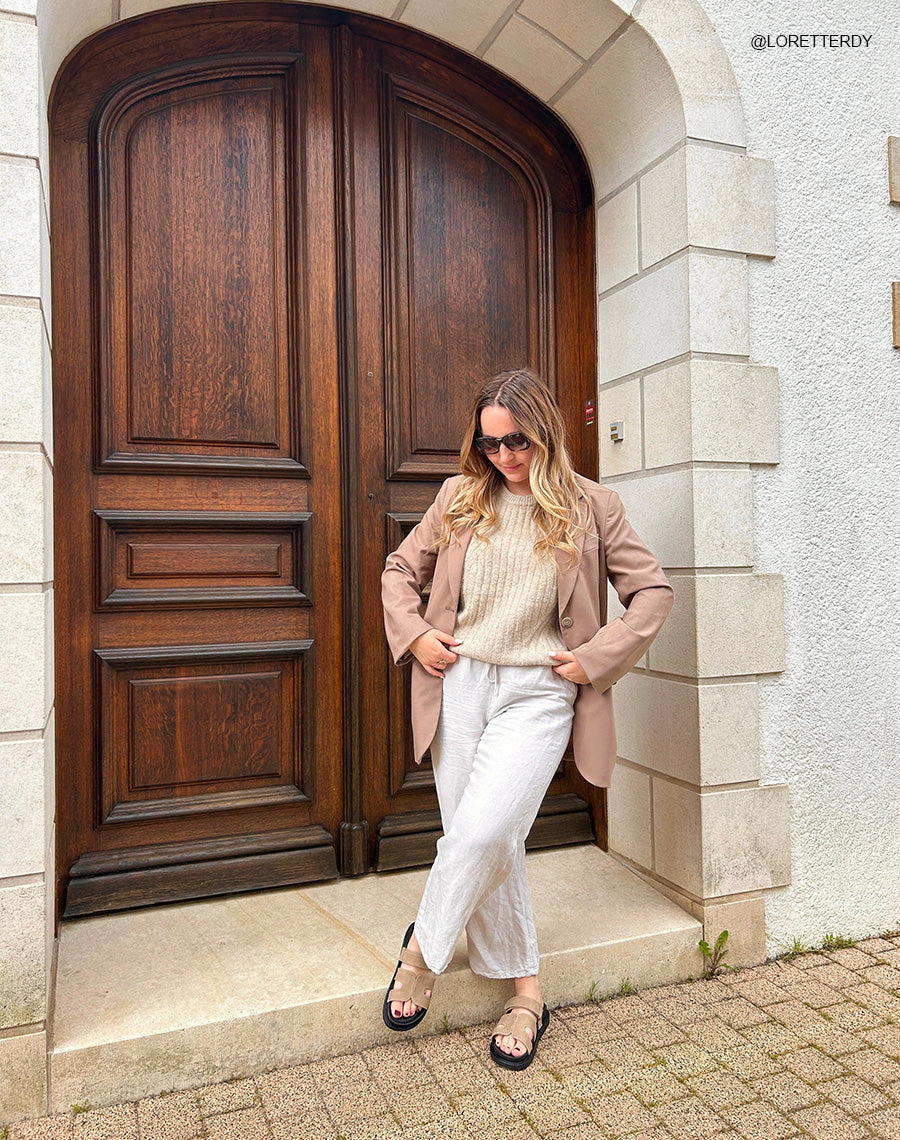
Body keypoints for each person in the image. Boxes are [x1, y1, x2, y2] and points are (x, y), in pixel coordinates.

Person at [380, 368, 674, 1069]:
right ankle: (527, 993)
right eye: (489, 444)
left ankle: (423, 948)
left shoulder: (592, 506)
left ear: (545, 431)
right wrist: (416, 633)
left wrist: (596, 657)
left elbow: (653, 592)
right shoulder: (459, 497)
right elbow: (399, 571)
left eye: (517, 442)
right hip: (462, 685)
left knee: (483, 829)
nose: (504, 457)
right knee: (488, 842)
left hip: (539, 691)